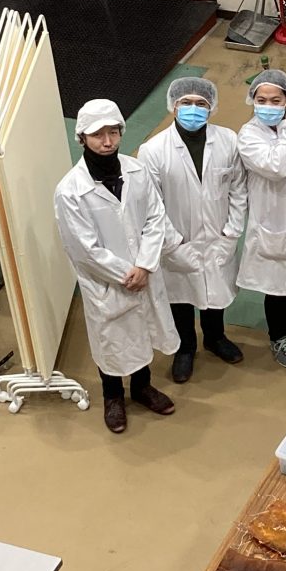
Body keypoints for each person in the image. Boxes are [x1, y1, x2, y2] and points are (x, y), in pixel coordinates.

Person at [54, 99, 179, 434]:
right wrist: (127, 273)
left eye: (113, 132)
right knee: (111, 341)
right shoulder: (70, 191)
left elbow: (155, 217)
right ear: (82, 138)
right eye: (98, 135)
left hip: (143, 272)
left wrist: (145, 265)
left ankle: (141, 388)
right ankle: (113, 397)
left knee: (142, 333)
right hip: (107, 282)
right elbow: (83, 248)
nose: (107, 142)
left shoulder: (135, 171)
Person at [137, 77, 247, 384]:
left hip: (219, 235)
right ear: (173, 106)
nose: (193, 109)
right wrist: (174, 243)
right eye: (186, 103)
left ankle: (215, 337)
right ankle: (185, 348)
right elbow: (152, 205)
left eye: (201, 104)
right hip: (175, 241)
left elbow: (239, 189)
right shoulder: (153, 151)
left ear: (212, 107)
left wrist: (232, 230)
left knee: (216, 290)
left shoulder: (228, 141)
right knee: (181, 297)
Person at [236, 69, 286, 369]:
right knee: (278, 284)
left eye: (276, 99)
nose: (268, 105)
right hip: (272, 217)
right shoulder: (248, 135)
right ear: (252, 101)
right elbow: (279, 165)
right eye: (262, 99)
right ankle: (279, 335)